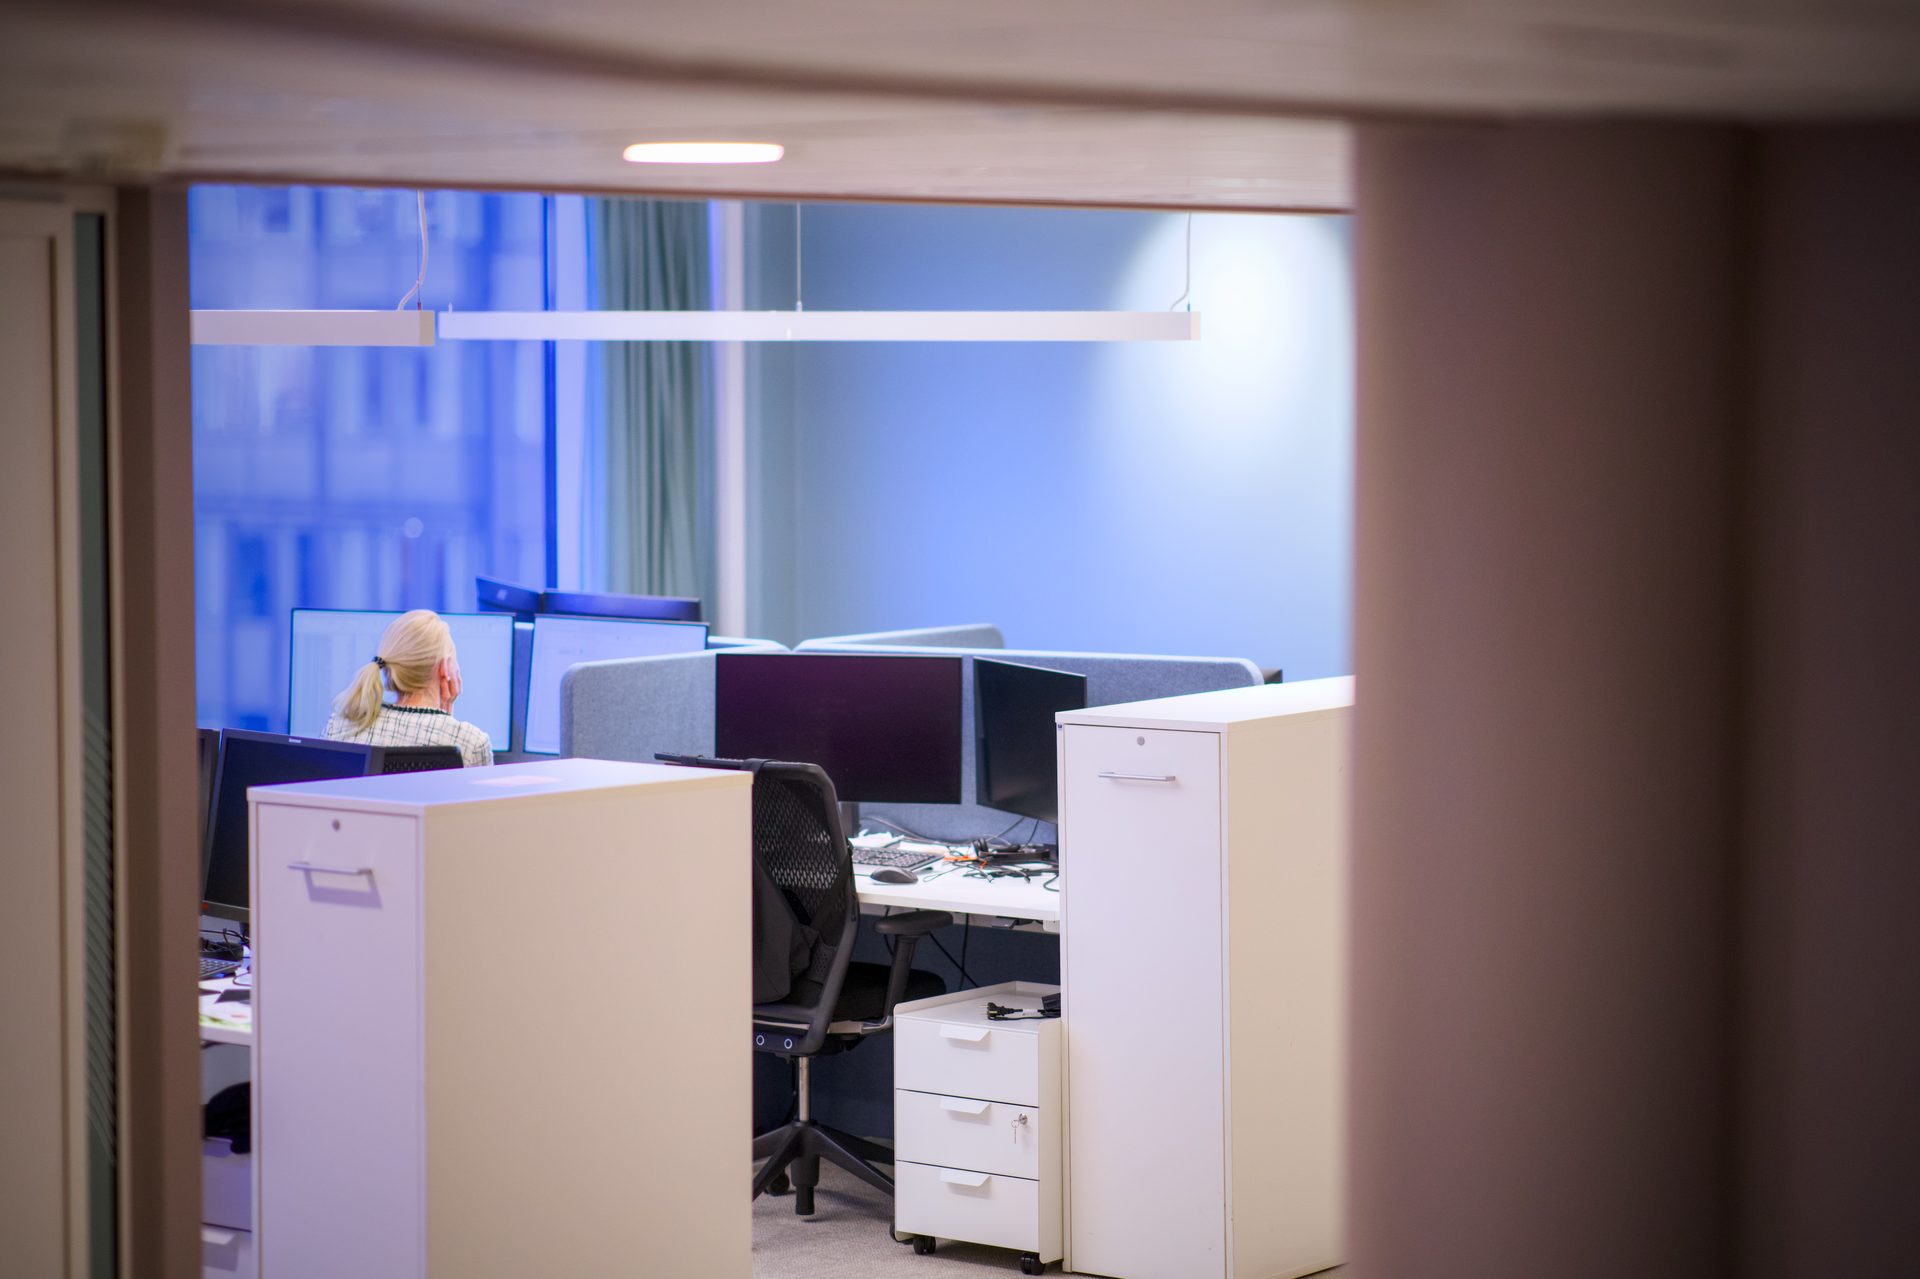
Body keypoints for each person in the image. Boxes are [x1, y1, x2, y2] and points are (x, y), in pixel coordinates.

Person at [325, 609, 493, 767]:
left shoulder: (339, 725)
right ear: (445, 668)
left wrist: (443, 718)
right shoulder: (471, 743)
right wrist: (447, 722)